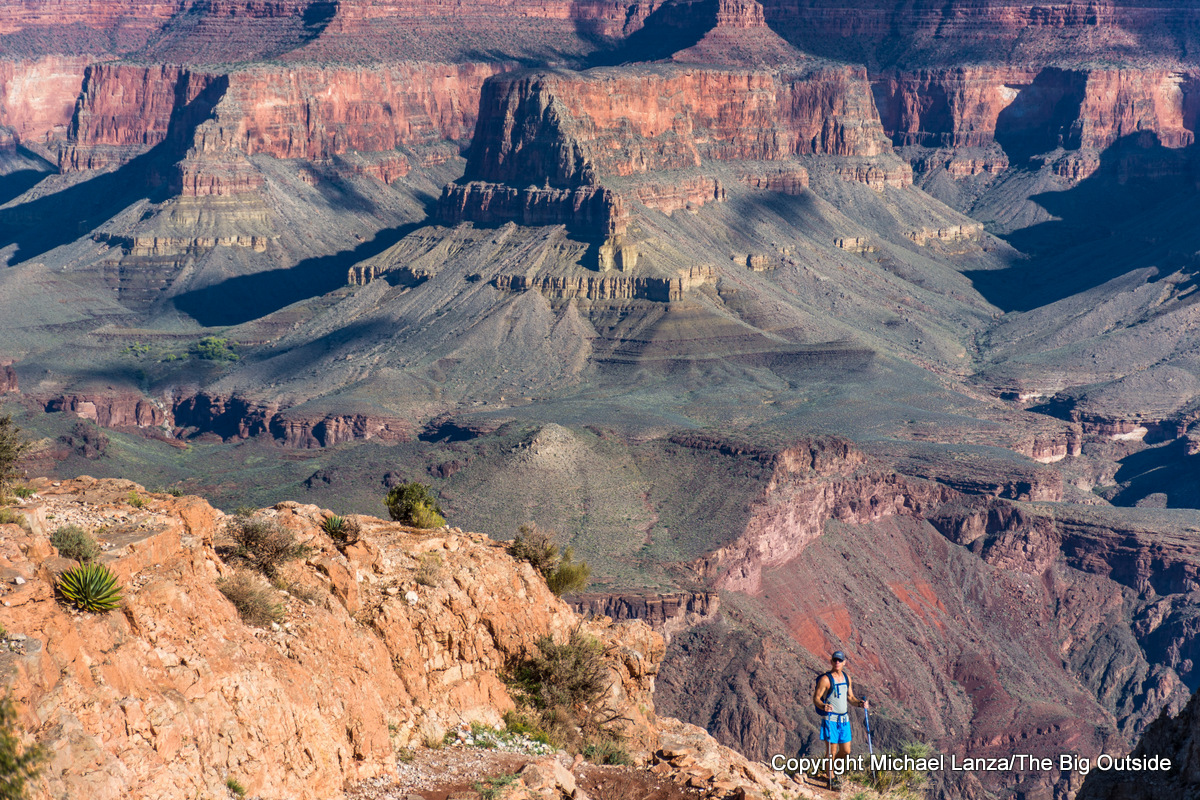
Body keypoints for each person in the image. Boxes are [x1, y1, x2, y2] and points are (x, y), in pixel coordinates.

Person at [812, 650, 868, 788]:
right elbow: (816, 698)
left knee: (846, 751)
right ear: (831, 661)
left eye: (840, 660)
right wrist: (823, 705)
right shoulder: (825, 679)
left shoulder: (846, 678)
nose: (837, 662)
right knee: (831, 751)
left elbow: (850, 698)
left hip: (844, 720)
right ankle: (830, 779)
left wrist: (860, 704)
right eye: (835, 660)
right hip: (830, 719)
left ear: (844, 662)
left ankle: (830, 770)